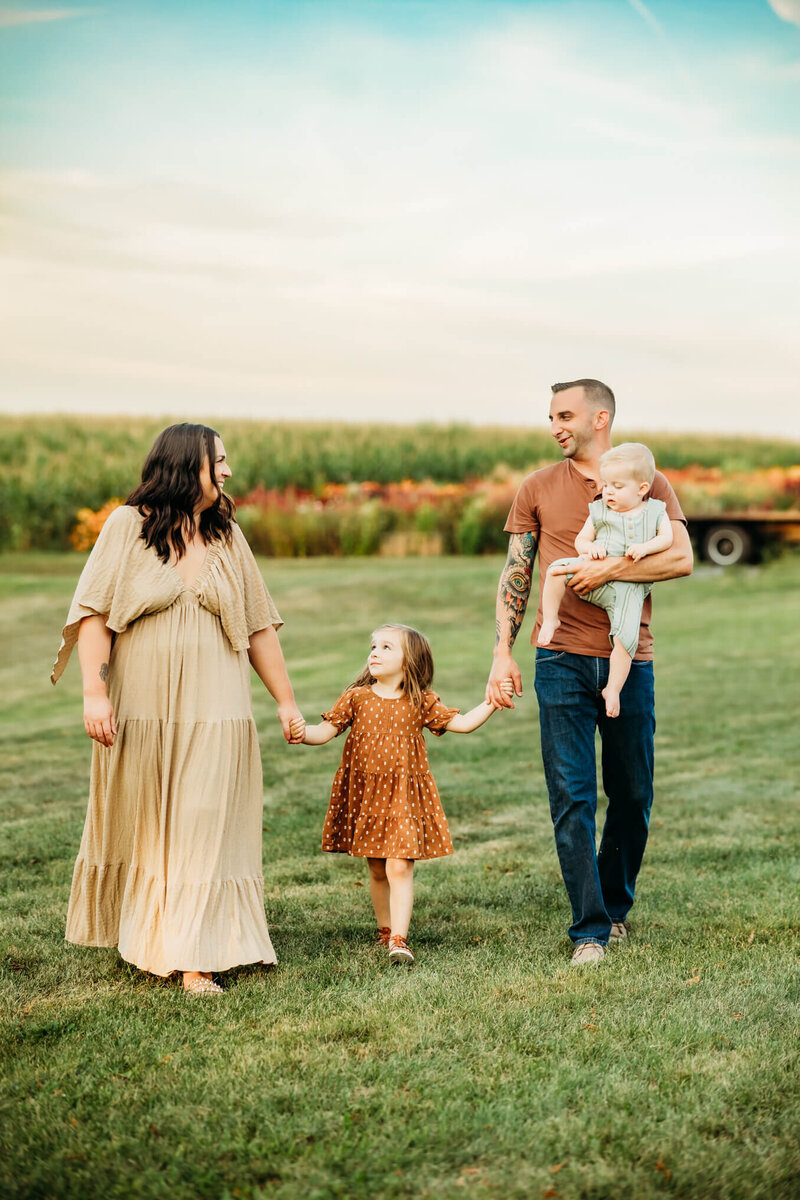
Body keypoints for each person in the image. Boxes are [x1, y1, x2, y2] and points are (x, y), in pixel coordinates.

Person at [51, 423, 304, 996]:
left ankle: (194, 956)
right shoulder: (125, 526)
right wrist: (95, 693)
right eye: (219, 460)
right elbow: (94, 615)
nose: (228, 471)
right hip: (143, 705)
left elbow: (260, 627)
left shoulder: (227, 535)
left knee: (203, 821)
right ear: (186, 464)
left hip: (218, 705)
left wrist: (286, 703)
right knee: (152, 827)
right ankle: (157, 933)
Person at [486, 380, 693, 966]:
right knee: (571, 795)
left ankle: (615, 905)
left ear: (599, 418)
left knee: (632, 792)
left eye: (565, 414)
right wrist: (502, 650)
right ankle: (590, 930)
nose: (555, 425)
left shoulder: (650, 485)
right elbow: (517, 571)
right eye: (550, 416)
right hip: (559, 659)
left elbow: (681, 557)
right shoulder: (538, 487)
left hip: (631, 657)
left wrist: (607, 575)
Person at [290, 623, 505, 964]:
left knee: (400, 867)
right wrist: (302, 733)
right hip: (367, 796)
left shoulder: (420, 701)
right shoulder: (356, 698)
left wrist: (492, 703)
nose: (375, 652)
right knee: (377, 868)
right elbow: (325, 730)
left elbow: (461, 724)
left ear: (410, 662)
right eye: (374, 646)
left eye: (387, 647)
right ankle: (384, 931)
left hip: (403, 795)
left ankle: (400, 941)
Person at [538, 442, 674, 718]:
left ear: (642, 489)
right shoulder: (600, 511)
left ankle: (613, 688)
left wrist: (646, 548)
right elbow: (581, 540)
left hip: (628, 590)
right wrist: (589, 549)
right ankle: (552, 618)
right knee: (555, 569)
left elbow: (667, 539)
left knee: (626, 639)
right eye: (607, 484)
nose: (608, 491)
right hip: (592, 573)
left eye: (617, 486)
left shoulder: (656, 512)